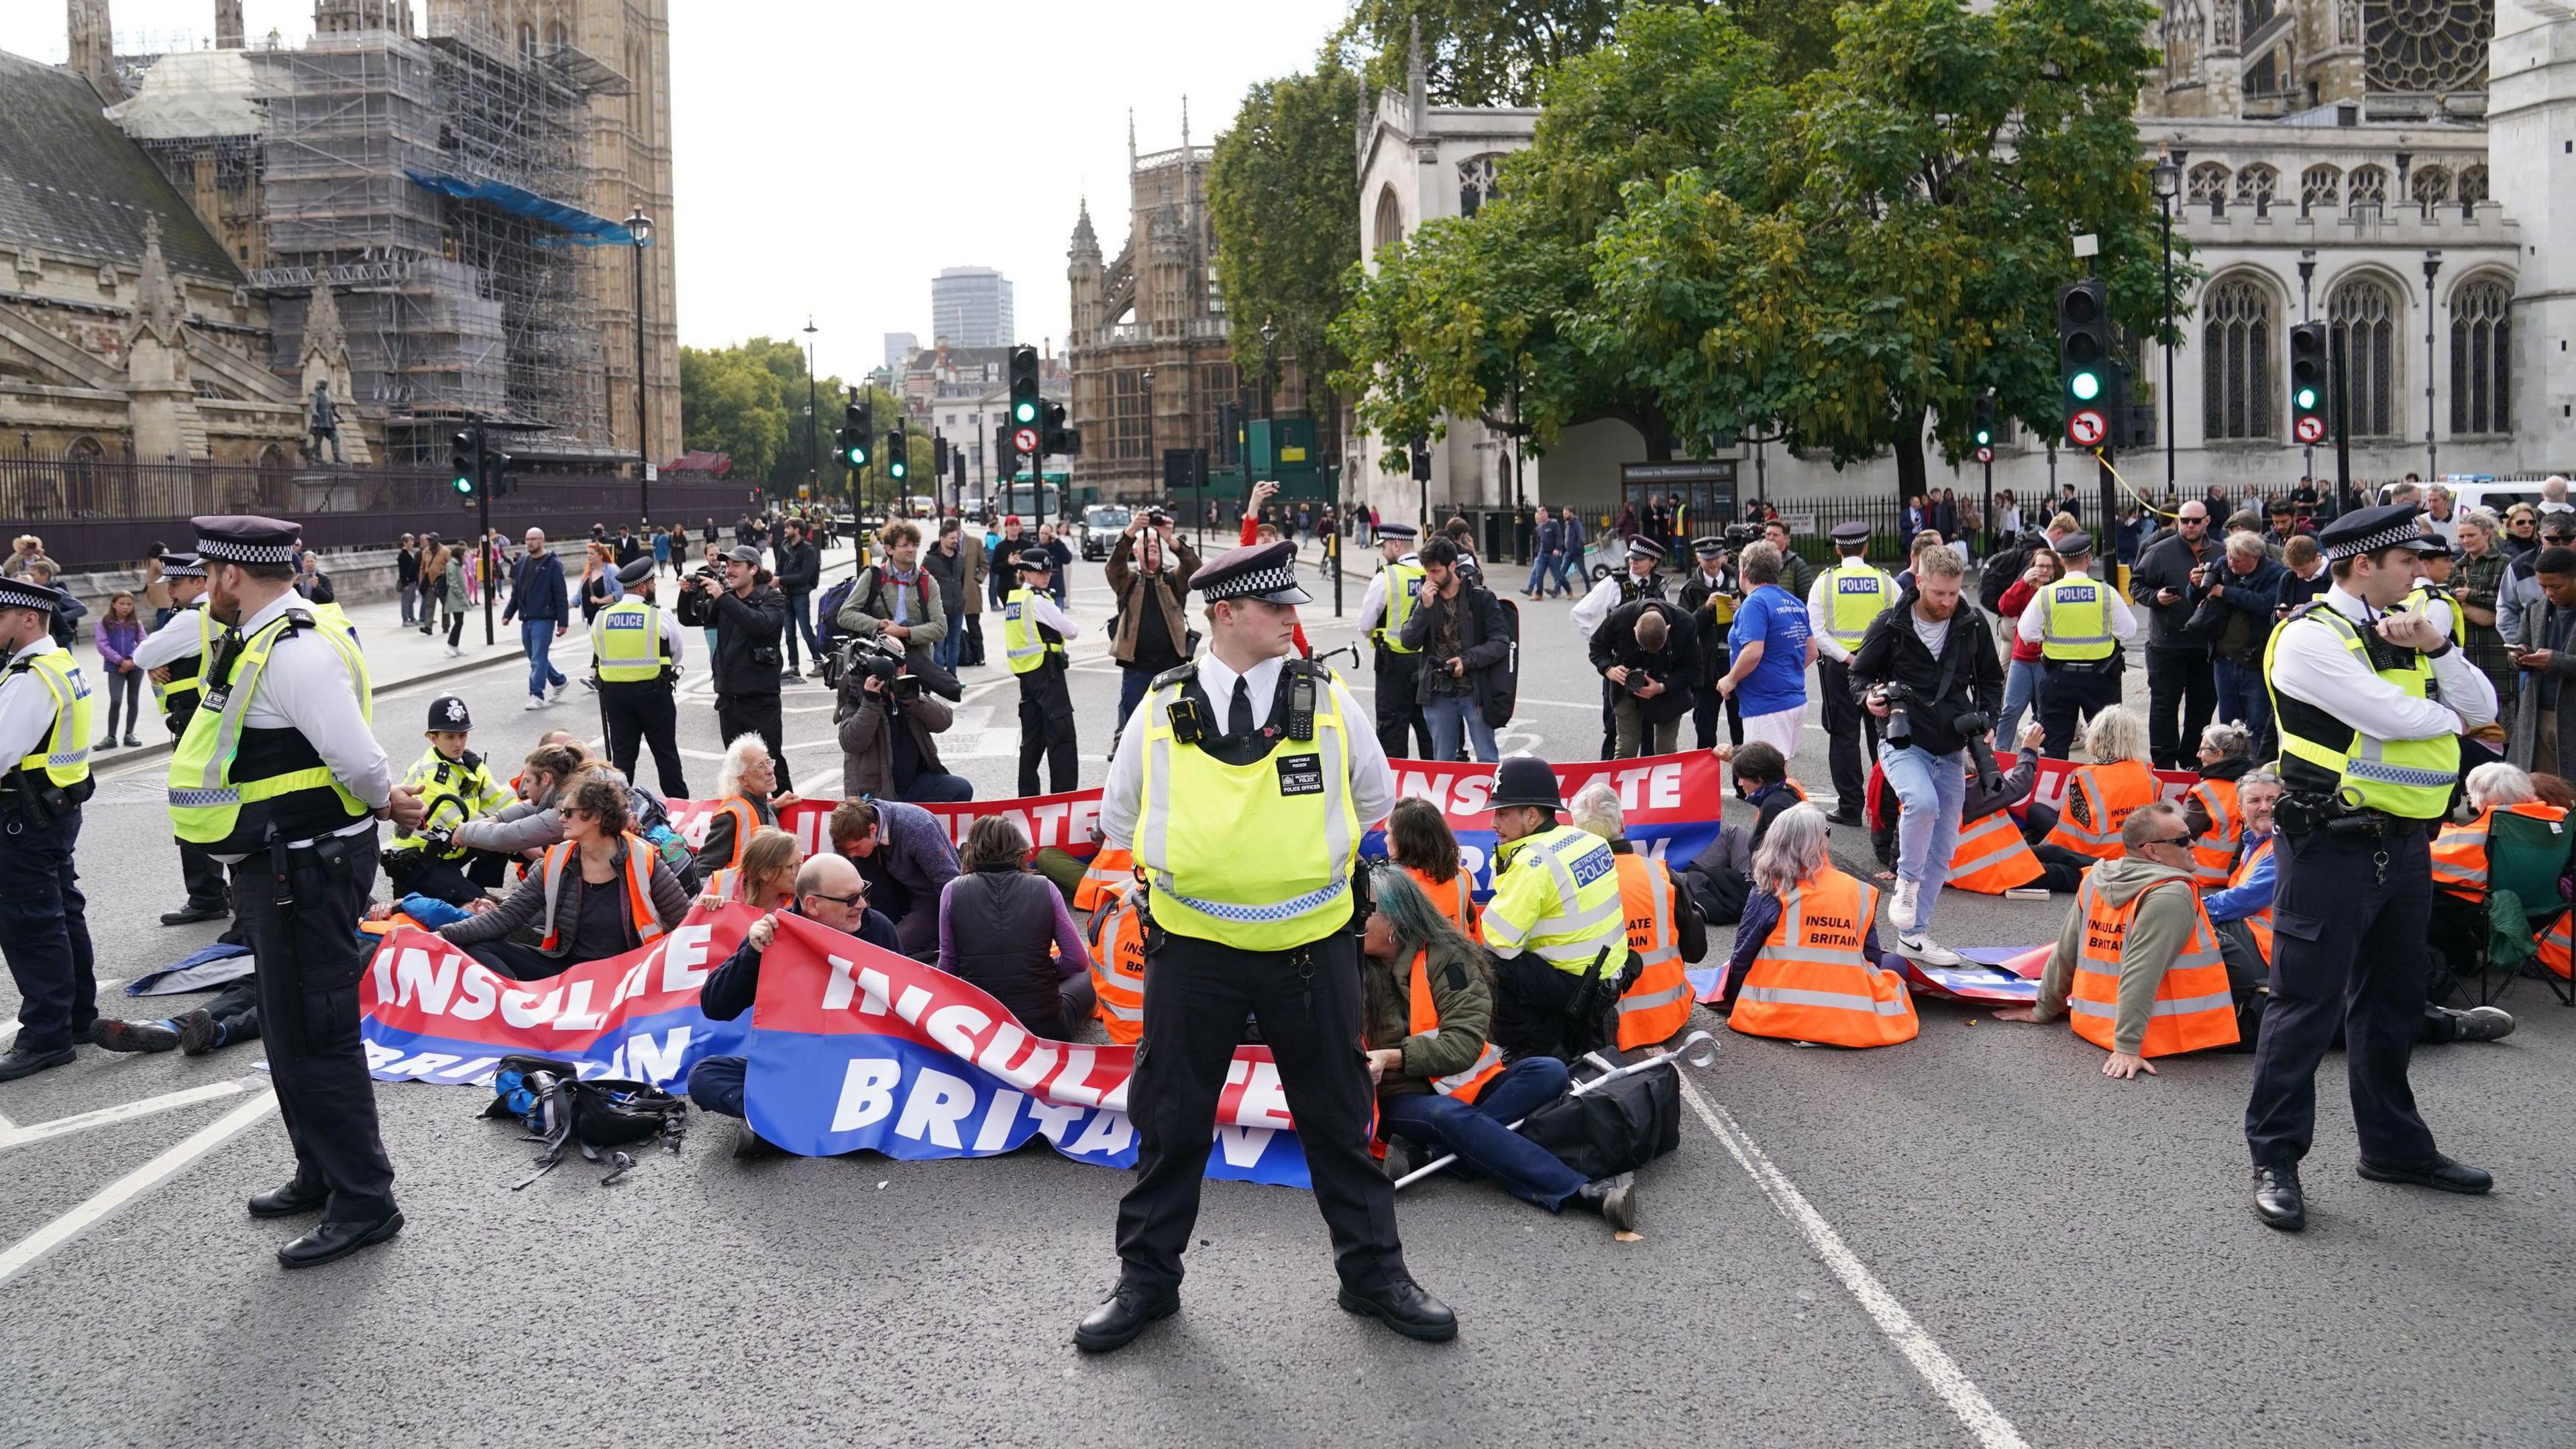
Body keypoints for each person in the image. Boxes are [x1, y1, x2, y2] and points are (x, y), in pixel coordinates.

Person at [1080, 538, 1447, 1354]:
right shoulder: (1161, 705)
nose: (1293, 616)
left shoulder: (1329, 701)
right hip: (1192, 952)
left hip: (1311, 954)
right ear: (1225, 615)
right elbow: (1116, 819)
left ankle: (1373, 1274)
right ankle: (1147, 1280)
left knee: (1339, 1116)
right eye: (1275, 606)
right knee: (1170, 1120)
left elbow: (1375, 799)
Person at [161, 515, 423, 1266]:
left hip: (307, 869)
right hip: (276, 868)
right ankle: (320, 1170)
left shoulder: (296, 652)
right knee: (284, 1029)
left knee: (318, 1033)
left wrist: (384, 802)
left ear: (231, 575)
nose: (204, 586)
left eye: (209, 573)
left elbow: (361, 760)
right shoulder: (259, 640)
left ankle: (366, 1199)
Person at [2247, 503, 2496, 1232]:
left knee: (2391, 1005)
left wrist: (2441, 653)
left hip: (2405, 842)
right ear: (2365, 565)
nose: (2421, 573)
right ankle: (2275, 1159)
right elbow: (2396, 719)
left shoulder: (2406, 632)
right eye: (2409, 562)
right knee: (2304, 1005)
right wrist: (2452, 719)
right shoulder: (2308, 638)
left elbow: (2482, 700)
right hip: (2329, 842)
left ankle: (2393, 1148)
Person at [1360, 867, 1639, 1230]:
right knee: (1447, 1116)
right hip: (1400, 1097)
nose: (1354, 921)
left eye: (1365, 912)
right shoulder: (1343, 964)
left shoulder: (1448, 957)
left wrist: (1390, 1056)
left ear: (1396, 922)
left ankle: (1434, 1154)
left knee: (1549, 1070)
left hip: (1465, 1082)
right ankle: (1583, 1191)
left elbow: (1462, 1043)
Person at [1994, 801, 2252, 1076]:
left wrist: (2045, 1009)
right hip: (2170, 1033)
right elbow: (2141, 972)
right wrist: (2128, 1047)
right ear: (2152, 851)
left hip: (2094, 1024)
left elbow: (2066, 952)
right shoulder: (2171, 894)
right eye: (2182, 840)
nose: (2193, 845)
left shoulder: (2096, 878)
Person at [686, 853, 900, 1157]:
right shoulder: (773, 935)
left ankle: (778, 1128)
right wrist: (752, 955)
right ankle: (792, 1123)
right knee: (704, 1076)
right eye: (850, 899)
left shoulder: (878, 928)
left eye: (863, 892)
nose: (862, 905)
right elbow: (715, 1006)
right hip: (794, 1069)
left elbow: (906, 1007)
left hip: (860, 1069)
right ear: (812, 905)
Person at [1849, 543, 2002, 966]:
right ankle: (1906, 883)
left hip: (1952, 747)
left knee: (1944, 848)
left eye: (1954, 594)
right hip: (1902, 742)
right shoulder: (1891, 624)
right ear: (1919, 583)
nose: (1948, 602)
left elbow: (1991, 679)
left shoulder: (1971, 624)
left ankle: (1914, 937)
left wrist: (1987, 718)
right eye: (1939, 594)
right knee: (1921, 802)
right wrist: (1870, 698)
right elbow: (1858, 674)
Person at [434, 773, 690, 980]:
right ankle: (528, 1017)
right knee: (478, 948)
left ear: (596, 817)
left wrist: (714, 905)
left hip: (626, 977)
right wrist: (442, 936)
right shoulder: (557, 860)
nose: (560, 818)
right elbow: (506, 916)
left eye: (568, 812)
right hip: (568, 971)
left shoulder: (643, 860)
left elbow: (687, 921)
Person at [0, 574, 100, 1083]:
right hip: (51, 809)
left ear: (28, 618)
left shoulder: (31, 676)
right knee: (61, 910)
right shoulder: (57, 664)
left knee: (29, 923)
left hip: (24, 817)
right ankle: (79, 1016)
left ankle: (47, 1036)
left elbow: (1, 751)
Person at [1715, 803, 1915, 1046]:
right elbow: (1871, 956)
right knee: (1896, 965)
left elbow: (1743, 955)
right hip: (1850, 1017)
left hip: (1773, 1015)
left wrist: (1736, 1000)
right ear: (1820, 843)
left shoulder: (1769, 890)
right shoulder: (1856, 890)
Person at [1478, 756, 1632, 1064]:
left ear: (1532, 815)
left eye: (1502, 813)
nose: (1493, 823)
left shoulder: (1532, 864)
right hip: (1610, 975)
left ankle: (1540, 1045)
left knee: (1483, 962)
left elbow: (1496, 940)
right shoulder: (1588, 840)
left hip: (1574, 985)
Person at [1568, 783, 1704, 1049]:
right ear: (1622, 822)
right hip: (1668, 1015)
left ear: (1576, 833)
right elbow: (1695, 951)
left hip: (1601, 1026)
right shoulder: (1662, 876)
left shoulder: (1567, 882)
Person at [936, 814, 1097, 1036]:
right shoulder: (1045, 888)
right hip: (1046, 1028)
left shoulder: (952, 891)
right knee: (1091, 969)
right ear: (1020, 849)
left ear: (971, 851)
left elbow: (948, 969)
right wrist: (1045, 971)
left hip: (982, 1029)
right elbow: (1077, 961)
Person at [682, 544, 794, 794]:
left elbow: (759, 624)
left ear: (753, 569)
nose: (729, 570)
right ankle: (750, 825)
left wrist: (722, 597)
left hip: (760, 701)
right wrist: (687, 593)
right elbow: (690, 618)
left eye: (736, 565)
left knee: (770, 766)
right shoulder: (728, 600)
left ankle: (786, 826)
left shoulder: (771, 598)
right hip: (729, 701)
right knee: (739, 771)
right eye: (727, 564)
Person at [380, 695, 512, 906]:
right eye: (450, 737)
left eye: (462, 735)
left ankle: (474, 887)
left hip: (449, 847)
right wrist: (517, 841)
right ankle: (466, 895)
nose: (458, 743)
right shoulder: (431, 773)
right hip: (421, 860)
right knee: (483, 907)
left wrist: (528, 832)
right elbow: (461, 824)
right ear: (433, 738)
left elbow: (501, 801)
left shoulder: (468, 762)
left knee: (505, 834)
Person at [1809, 521, 1896, 824]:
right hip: (1879, 669)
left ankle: (1850, 808)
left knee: (1844, 737)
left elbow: (1817, 632)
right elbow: (1901, 621)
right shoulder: (1885, 581)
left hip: (1840, 668)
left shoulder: (1825, 581)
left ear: (1837, 549)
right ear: (1866, 547)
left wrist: (1849, 658)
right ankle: (1884, 806)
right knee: (1882, 735)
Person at [2021, 532, 2137, 759]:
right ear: (2088, 559)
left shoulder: (2047, 594)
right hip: (2101, 678)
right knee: (2108, 745)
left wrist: (2047, 636)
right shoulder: (2105, 592)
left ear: (2062, 561)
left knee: (2055, 746)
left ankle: (2056, 793)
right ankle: (2104, 791)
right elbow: (2129, 631)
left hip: (2058, 678)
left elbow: (2026, 632)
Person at [1399, 537, 1512, 763]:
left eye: (1436, 571)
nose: (1430, 578)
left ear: (1452, 566)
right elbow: (1408, 641)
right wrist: (1424, 608)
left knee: (1487, 758)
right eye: (1427, 571)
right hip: (1437, 692)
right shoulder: (1425, 599)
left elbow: (1501, 642)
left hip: (1475, 691)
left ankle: (1493, 799)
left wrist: (1467, 661)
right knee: (1443, 761)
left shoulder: (1480, 598)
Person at [589, 555, 689, 800]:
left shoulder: (602, 616)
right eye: (653, 583)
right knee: (666, 755)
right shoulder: (658, 614)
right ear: (644, 586)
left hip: (615, 696)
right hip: (654, 693)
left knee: (623, 759)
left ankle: (618, 808)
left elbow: (599, 653)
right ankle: (679, 806)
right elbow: (676, 652)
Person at [835, 639, 971, 804]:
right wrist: (870, 703)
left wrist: (914, 701)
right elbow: (851, 743)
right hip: (878, 793)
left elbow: (944, 721)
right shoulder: (859, 696)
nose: (898, 671)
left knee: (961, 789)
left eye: (901, 663)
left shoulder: (907, 690)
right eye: (892, 665)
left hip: (914, 784)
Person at [1715, 540, 1816, 761]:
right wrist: (1785, 670)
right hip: (1794, 699)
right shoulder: (1794, 602)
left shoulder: (1754, 603)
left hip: (1766, 705)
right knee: (1778, 770)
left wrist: (1730, 679)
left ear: (1744, 573)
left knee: (1763, 775)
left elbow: (1753, 652)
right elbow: (1811, 652)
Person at [1105, 508, 1202, 735]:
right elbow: (1114, 565)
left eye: (1156, 543)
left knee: (1170, 724)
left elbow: (1195, 570)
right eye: (1146, 543)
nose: (1153, 545)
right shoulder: (1127, 581)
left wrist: (1169, 538)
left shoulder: (1172, 580)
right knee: (1132, 724)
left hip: (1171, 665)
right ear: (1136, 552)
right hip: (1136, 667)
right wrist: (1131, 531)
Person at [828, 796, 959, 960]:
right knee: (866, 942)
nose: (852, 855)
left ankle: (930, 940)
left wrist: (956, 933)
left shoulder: (917, 827)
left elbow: (950, 882)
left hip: (929, 896)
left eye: (855, 848)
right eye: (848, 851)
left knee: (889, 948)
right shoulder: (855, 837)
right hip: (895, 888)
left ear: (873, 829)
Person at [1002, 547, 1081, 796]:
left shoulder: (1016, 599)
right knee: (1062, 739)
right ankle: (1064, 799)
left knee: (1032, 743)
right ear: (1024, 572)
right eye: (1039, 571)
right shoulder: (1038, 601)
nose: (1045, 575)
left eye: (1048, 571)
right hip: (1048, 674)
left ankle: (1027, 799)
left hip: (1027, 676)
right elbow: (1071, 631)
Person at [2041, 706, 2159, 862]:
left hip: (2094, 859)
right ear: (2132, 739)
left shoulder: (2084, 776)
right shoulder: (2147, 773)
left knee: (2037, 811)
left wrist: (2041, 850)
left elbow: (2068, 832)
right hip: (2138, 856)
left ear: (2096, 738)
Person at [1589, 588, 1697, 759]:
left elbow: (1694, 667)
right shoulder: (1620, 618)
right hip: (1627, 686)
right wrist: (1609, 669)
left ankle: (1661, 784)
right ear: (1633, 630)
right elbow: (1596, 646)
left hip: (1669, 690)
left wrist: (1662, 687)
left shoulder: (1685, 623)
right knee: (1626, 748)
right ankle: (1622, 785)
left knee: (1666, 750)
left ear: (1668, 629)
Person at [837, 520, 947, 673]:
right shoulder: (873, 576)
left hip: (917, 665)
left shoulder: (927, 582)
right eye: (905, 545)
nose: (912, 550)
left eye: (915, 545)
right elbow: (845, 615)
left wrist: (904, 632)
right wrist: (880, 625)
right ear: (889, 549)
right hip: (878, 663)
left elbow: (941, 628)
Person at [2510, 547, 2576, 775]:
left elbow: (2556, 661)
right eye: (2543, 586)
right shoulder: (2535, 609)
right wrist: (2519, 656)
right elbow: (2521, 643)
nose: (2549, 593)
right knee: (2541, 792)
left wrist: (2555, 661)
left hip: (2570, 715)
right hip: (2537, 714)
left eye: (2556, 586)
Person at [694, 734, 788, 879]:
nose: (770, 770)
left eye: (769, 762)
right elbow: (703, 870)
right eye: (760, 766)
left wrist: (774, 808)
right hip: (741, 899)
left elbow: (756, 821)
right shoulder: (731, 817)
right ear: (744, 779)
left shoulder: (760, 802)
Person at [1385, 795, 1480, 938]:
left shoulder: (1395, 886)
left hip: (1420, 960)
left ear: (1407, 842)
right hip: (1465, 957)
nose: (1385, 839)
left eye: (1389, 833)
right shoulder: (1462, 876)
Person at [1994, 545, 2058, 747]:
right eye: (2040, 566)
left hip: (2047, 661)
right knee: (2011, 710)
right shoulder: (2025, 588)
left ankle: (2046, 753)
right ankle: (2001, 753)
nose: (2044, 571)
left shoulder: (2058, 590)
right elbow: (2004, 607)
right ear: (2032, 568)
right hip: (2021, 659)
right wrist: (2022, 582)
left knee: (2045, 712)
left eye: (2049, 567)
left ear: (2055, 570)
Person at [1678, 538, 1739, 750]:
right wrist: (1705, 608)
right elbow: (1683, 628)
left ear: (1723, 556)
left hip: (1735, 665)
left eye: (1716, 559)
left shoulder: (1738, 581)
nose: (1713, 564)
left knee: (1740, 730)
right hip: (1705, 670)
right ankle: (1707, 781)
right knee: (1705, 730)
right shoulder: (1690, 588)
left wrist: (1742, 608)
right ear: (1698, 558)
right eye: (1707, 560)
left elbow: (1758, 617)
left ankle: (1743, 783)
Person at [2451, 509, 2515, 709]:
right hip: (2467, 646)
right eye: (2462, 536)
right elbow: (2452, 602)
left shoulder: (2504, 562)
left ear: (2487, 533)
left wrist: (2471, 596)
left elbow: (2507, 602)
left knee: (2500, 704)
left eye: (2471, 535)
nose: (2466, 540)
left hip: (2495, 647)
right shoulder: (2458, 565)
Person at [2182, 720, 2257, 886]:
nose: (2198, 755)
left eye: (2203, 749)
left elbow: (2182, 835)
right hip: (2241, 878)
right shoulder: (2254, 786)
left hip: (2203, 881)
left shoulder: (2205, 793)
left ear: (2219, 754)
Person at [503, 527, 570, 711]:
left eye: (534, 539)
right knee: (535, 657)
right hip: (527, 618)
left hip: (544, 618)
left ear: (542, 540)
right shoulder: (523, 562)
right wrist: (508, 613)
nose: (530, 542)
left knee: (538, 658)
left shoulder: (553, 564)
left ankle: (537, 694)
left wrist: (563, 622)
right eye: (527, 539)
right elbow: (517, 591)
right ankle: (559, 680)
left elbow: (560, 594)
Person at [89, 589, 143, 751]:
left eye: (129, 604)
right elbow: (102, 645)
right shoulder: (104, 623)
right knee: (116, 700)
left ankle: (129, 734)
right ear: (114, 605)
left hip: (134, 666)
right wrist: (120, 661)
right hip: (115, 667)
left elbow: (143, 642)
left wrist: (132, 659)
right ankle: (111, 736)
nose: (126, 607)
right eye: (122, 604)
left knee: (133, 700)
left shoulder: (136, 624)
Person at [1731, 741, 1803, 852]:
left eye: (1742, 778)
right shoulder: (1788, 786)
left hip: (1762, 866)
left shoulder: (1773, 807)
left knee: (1700, 869)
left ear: (1760, 778)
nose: (1740, 783)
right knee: (1732, 832)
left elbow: (1783, 860)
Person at [773, 519, 822, 678]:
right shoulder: (785, 546)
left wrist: (781, 580)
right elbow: (779, 568)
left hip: (801, 594)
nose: (785, 530)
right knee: (789, 633)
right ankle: (794, 666)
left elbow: (804, 576)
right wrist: (776, 578)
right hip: (786, 595)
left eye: (788, 527)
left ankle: (819, 663)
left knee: (806, 630)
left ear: (797, 530)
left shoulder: (809, 550)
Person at [922, 517, 969, 674]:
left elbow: (961, 580)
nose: (956, 541)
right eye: (952, 538)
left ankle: (952, 676)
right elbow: (922, 581)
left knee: (954, 644)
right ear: (942, 539)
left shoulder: (960, 558)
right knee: (939, 645)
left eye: (957, 538)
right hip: (938, 610)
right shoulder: (930, 559)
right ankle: (940, 676)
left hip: (957, 608)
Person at [1761, 519, 1816, 601]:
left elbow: (1806, 601)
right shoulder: (1758, 563)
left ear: (1786, 539)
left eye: (1775, 535)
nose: (1771, 538)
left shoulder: (1797, 565)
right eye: (1768, 534)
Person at [1523, 506, 1562, 600]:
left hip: (1552, 553)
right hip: (1542, 553)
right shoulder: (1538, 528)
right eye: (1539, 515)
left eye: (1542, 514)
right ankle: (1538, 593)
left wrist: (1557, 548)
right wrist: (1537, 552)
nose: (1540, 517)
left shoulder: (1553, 524)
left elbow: (1559, 537)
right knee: (1538, 573)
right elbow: (1539, 542)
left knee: (1557, 573)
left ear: (1546, 514)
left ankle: (1562, 590)